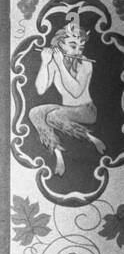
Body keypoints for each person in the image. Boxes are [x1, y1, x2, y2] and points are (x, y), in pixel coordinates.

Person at [30, 17, 103, 176]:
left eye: (81, 46)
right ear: (60, 45)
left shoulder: (85, 63)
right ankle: (57, 153)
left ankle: (90, 137)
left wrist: (60, 64)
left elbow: (75, 91)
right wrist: (45, 62)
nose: (78, 51)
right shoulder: (56, 63)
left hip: (86, 110)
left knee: (53, 116)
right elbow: (41, 89)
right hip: (66, 110)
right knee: (34, 113)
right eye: (73, 45)